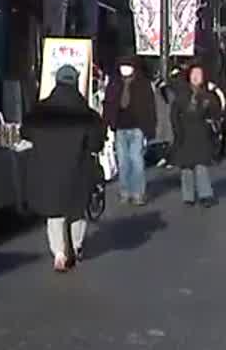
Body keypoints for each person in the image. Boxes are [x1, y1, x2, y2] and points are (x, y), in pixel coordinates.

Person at [23, 65, 108, 272]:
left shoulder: (42, 109)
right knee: (77, 208)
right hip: (78, 167)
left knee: (54, 210)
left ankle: (59, 252)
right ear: (76, 82)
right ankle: (76, 246)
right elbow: (97, 141)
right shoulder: (86, 112)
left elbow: (26, 132)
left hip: (47, 168)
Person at [101, 58, 156, 206]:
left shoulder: (142, 83)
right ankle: (125, 191)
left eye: (128, 66)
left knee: (136, 159)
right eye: (123, 66)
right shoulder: (115, 82)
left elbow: (149, 106)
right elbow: (108, 104)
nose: (125, 69)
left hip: (137, 126)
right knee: (123, 162)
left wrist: (150, 128)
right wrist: (107, 123)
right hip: (120, 127)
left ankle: (138, 193)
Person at [168, 65, 223, 207]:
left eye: (199, 73)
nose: (196, 76)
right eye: (194, 73)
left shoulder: (208, 94)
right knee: (186, 167)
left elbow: (217, 111)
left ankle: (205, 194)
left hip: (201, 132)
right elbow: (174, 113)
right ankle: (188, 196)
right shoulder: (182, 94)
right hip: (184, 132)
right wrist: (177, 130)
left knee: (201, 165)